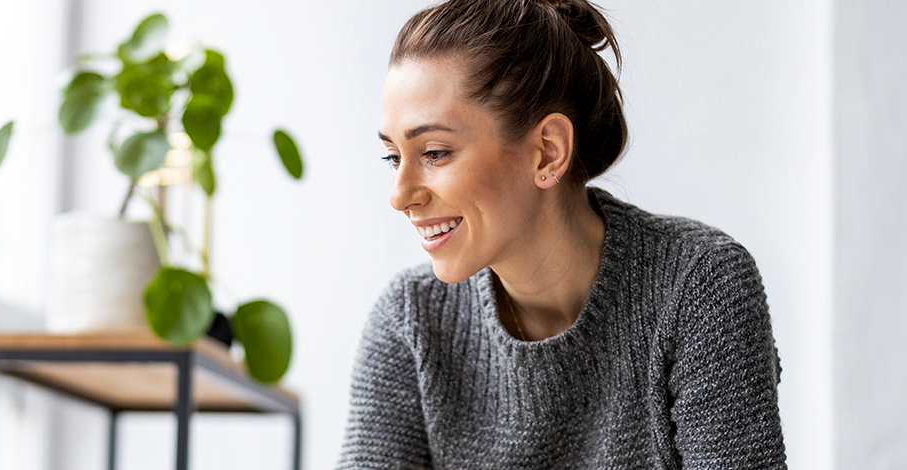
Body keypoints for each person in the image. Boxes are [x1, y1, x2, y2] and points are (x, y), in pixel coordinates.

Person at [337, 0, 788, 468]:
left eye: (434, 152)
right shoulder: (411, 319)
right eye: (393, 157)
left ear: (548, 152)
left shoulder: (698, 285)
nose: (399, 195)